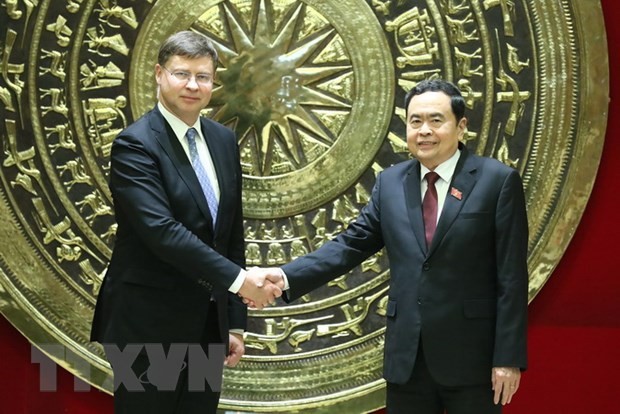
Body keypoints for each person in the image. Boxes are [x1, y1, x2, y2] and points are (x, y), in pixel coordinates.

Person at [250, 79, 529, 413]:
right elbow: (349, 245)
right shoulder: (391, 183)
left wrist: (508, 358)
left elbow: (511, 277)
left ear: (461, 126)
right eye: (415, 121)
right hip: (406, 360)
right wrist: (284, 276)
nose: (424, 130)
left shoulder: (496, 181)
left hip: (472, 360)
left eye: (436, 120)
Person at [90, 31, 280, 414]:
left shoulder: (222, 140)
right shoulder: (135, 145)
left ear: (213, 82)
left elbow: (229, 234)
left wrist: (235, 321)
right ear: (160, 75)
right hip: (147, 327)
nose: (193, 85)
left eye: (203, 76)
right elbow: (162, 232)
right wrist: (242, 282)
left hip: (207, 325)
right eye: (182, 74)